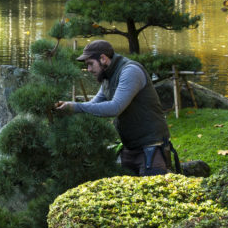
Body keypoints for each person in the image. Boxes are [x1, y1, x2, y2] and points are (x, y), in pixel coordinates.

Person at [55, 39, 173, 176]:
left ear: (103, 59)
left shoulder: (130, 71)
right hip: (130, 148)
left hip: (151, 149)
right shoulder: (107, 76)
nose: (88, 69)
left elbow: (115, 107)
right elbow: (94, 104)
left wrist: (76, 107)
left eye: (90, 64)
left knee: (151, 196)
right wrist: (67, 106)